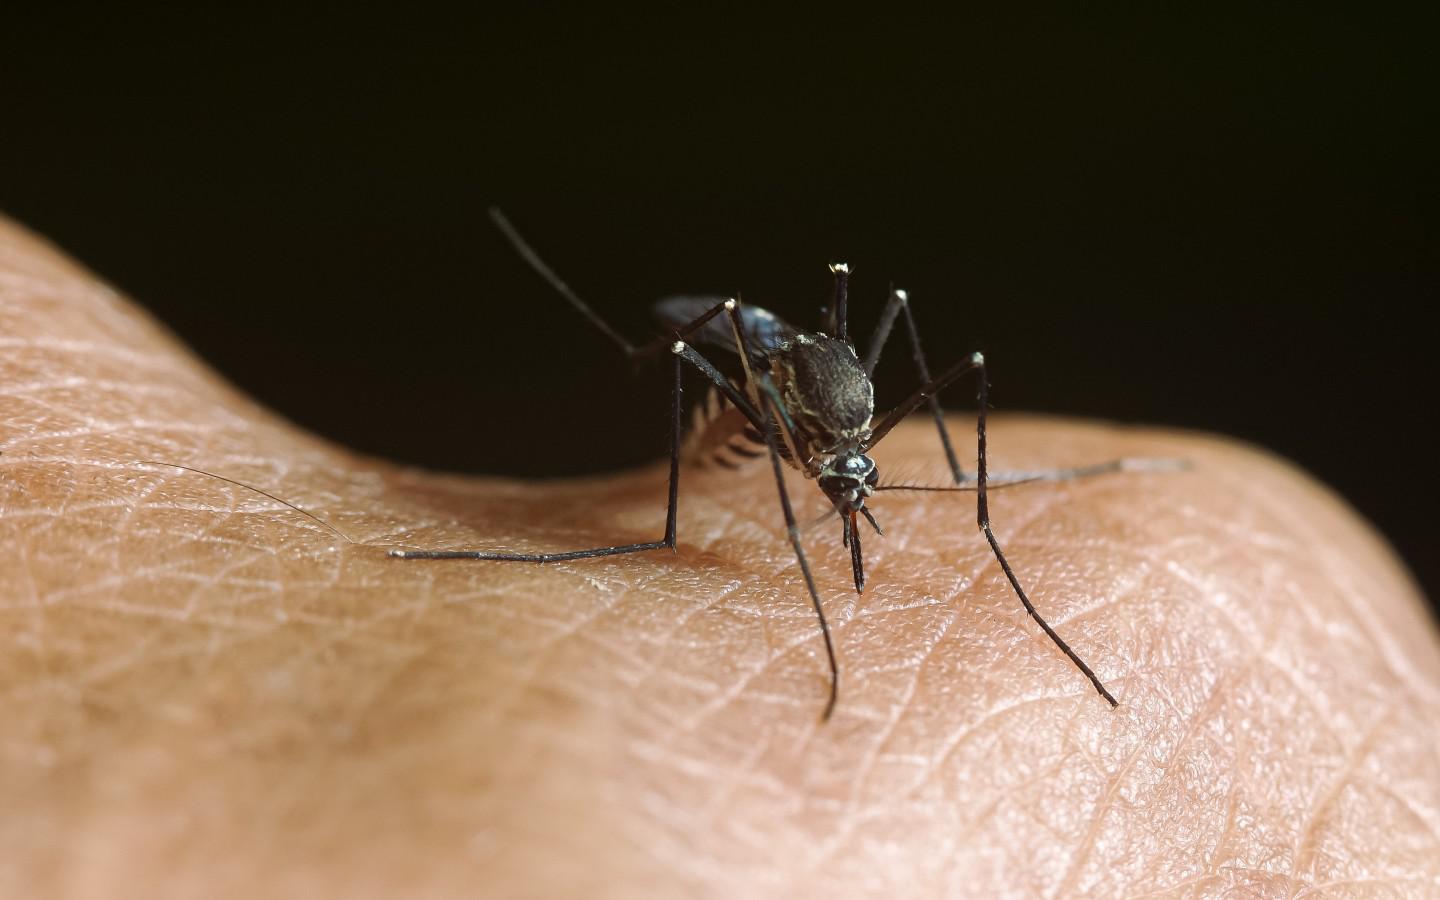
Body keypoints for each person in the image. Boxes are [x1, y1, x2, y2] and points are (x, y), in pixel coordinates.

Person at [2, 214, 1437, 898]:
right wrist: (812, 627)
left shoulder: (874, 427)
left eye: (857, 485)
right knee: (763, 348)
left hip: (817, 397)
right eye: (851, 487)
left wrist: (985, 513)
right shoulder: (796, 419)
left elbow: (881, 424)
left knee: (915, 339)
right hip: (748, 387)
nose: (856, 504)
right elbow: (758, 367)